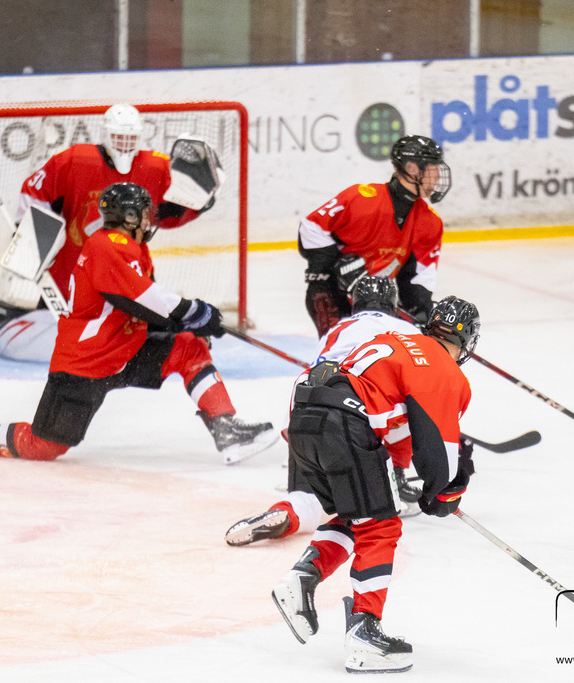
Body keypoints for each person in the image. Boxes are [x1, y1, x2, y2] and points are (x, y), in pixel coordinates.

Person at [0, 183, 276, 465]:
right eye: (143, 212)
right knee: (43, 446)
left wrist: (183, 324)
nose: (148, 219)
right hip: (85, 364)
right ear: (129, 217)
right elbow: (144, 298)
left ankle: (225, 427)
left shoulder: (132, 247)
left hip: (124, 351)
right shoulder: (106, 246)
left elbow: (140, 308)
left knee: (188, 347)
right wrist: (195, 311)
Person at [270, 295, 480, 674]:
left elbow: (400, 438)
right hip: (345, 424)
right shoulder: (444, 369)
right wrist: (446, 489)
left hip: (305, 418)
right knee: (382, 526)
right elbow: (440, 450)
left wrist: (418, 481)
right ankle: (365, 633)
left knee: (361, 514)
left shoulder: (395, 340)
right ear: (465, 343)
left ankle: (301, 579)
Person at [0, 103, 218, 362]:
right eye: (119, 137)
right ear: (105, 135)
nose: (124, 144)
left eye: (130, 138)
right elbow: (35, 191)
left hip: (129, 271)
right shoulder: (74, 160)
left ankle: (177, 343)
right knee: (63, 339)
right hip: (69, 275)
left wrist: (199, 203)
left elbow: (174, 210)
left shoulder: (155, 167)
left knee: (149, 335)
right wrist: (32, 234)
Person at [223, 276, 433, 546]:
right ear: (393, 304)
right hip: (354, 418)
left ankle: (288, 512)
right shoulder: (409, 330)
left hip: (303, 412)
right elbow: (419, 391)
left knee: (309, 500)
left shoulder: (338, 328)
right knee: (411, 407)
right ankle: (397, 479)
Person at [298, 134, 451, 337]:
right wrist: (332, 266)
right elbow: (312, 227)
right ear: (413, 168)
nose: (438, 177)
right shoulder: (362, 198)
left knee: (380, 357)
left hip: (376, 301)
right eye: (434, 168)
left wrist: (422, 312)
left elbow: (417, 278)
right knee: (341, 352)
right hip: (334, 294)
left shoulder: (430, 222)